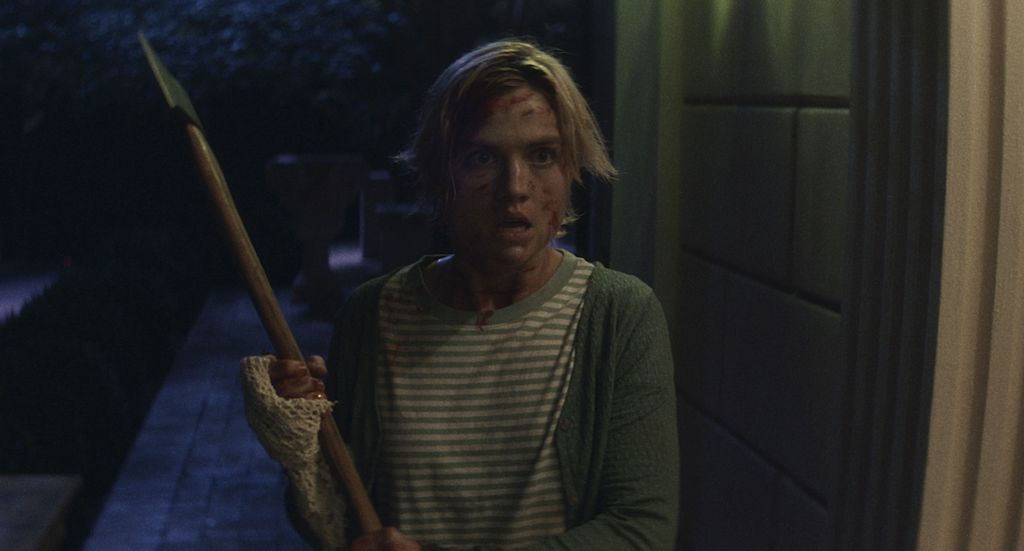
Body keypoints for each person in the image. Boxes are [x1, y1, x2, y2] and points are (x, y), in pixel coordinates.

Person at [241, 39, 679, 551]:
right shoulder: (372, 314)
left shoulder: (619, 313)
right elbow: (334, 522)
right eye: (482, 157)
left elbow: (641, 531)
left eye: (542, 155)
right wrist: (303, 445)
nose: (515, 187)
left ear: (571, 170)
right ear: (439, 173)